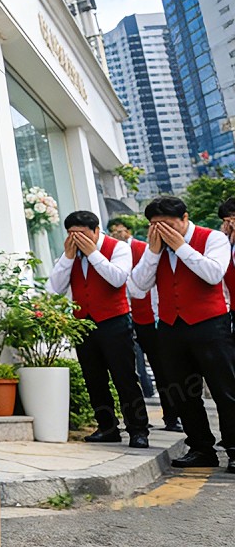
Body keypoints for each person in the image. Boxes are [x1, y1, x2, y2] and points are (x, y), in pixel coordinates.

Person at [131, 196, 235, 473]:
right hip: (170, 326)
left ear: (185, 219)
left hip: (210, 324)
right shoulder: (154, 248)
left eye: (166, 224)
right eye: (154, 225)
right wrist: (153, 252)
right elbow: (138, 286)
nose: (160, 231)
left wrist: (181, 246)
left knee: (225, 390)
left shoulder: (212, 238)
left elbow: (214, 274)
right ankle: (200, 447)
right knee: (182, 392)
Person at [47, 211, 149, 446]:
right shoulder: (69, 254)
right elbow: (55, 289)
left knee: (124, 377)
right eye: (72, 235)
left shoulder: (118, 248)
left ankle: (138, 430)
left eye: (82, 235)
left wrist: (93, 254)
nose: (77, 240)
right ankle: (107, 427)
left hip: (114, 320)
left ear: (95, 231)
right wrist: (68, 257)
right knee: (94, 378)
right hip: (83, 322)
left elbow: (117, 279)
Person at [108, 216, 182, 432]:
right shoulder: (113, 252)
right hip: (126, 317)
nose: (115, 233)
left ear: (128, 230)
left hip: (151, 317)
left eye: (118, 229)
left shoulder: (146, 249)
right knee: (130, 371)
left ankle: (172, 417)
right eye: (111, 230)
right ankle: (138, 419)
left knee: (162, 370)